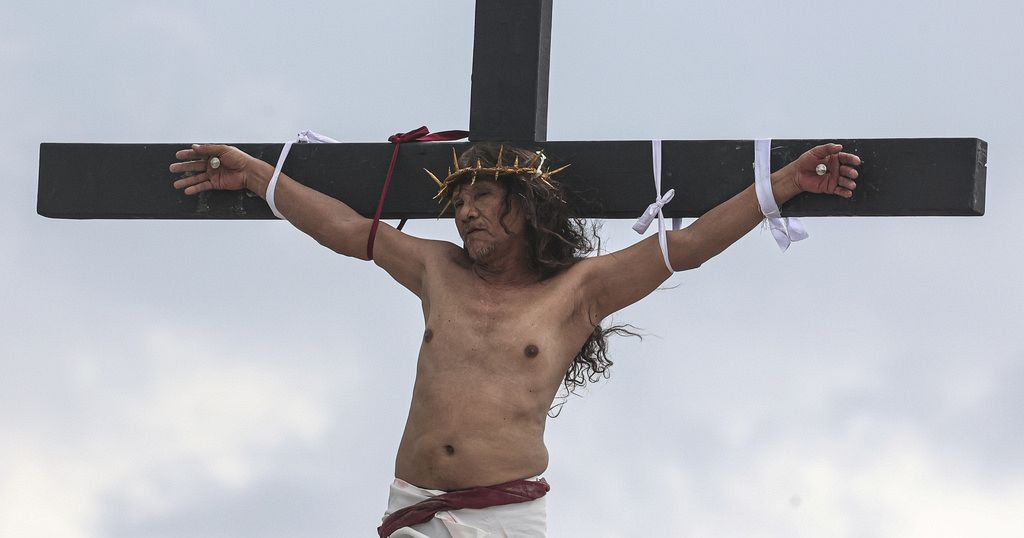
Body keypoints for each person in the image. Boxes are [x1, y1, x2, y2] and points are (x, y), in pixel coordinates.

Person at [170, 141, 861, 537]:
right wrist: (258, 174)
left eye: (479, 200)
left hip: (504, 519)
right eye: (458, 205)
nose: (464, 213)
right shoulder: (437, 269)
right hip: (412, 507)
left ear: (522, 207)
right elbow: (347, 230)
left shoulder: (578, 291)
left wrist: (780, 184)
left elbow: (691, 244)